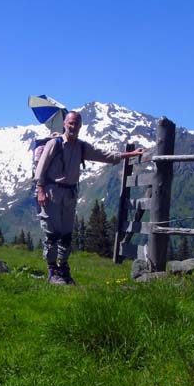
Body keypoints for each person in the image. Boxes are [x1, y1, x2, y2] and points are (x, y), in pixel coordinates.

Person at [34, 111, 143, 285]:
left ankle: (63, 269)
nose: (73, 126)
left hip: (69, 194)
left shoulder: (81, 147)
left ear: (80, 126)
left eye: (76, 124)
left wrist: (129, 155)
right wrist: (40, 189)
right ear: (64, 124)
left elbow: (104, 155)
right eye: (70, 123)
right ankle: (52, 271)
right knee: (52, 233)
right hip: (51, 192)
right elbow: (40, 168)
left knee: (66, 235)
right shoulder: (54, 144)